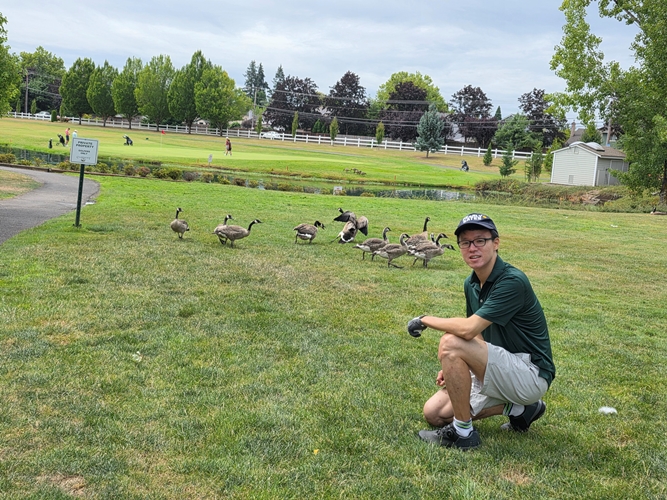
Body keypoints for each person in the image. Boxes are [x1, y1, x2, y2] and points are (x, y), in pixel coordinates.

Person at [407, 213, 555, 450]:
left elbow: (468, 329)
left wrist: (424, 320)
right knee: (434, 413)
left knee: (450, 342)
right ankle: (521, 409)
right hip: (498, 367)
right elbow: (477, 335)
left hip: (529, 375)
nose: (472, 248)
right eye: (465, 242)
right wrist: (455, 365)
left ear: (496, 243)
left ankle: (463, 433)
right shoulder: (471, 283)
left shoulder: (512, 281)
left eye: (480, 240)